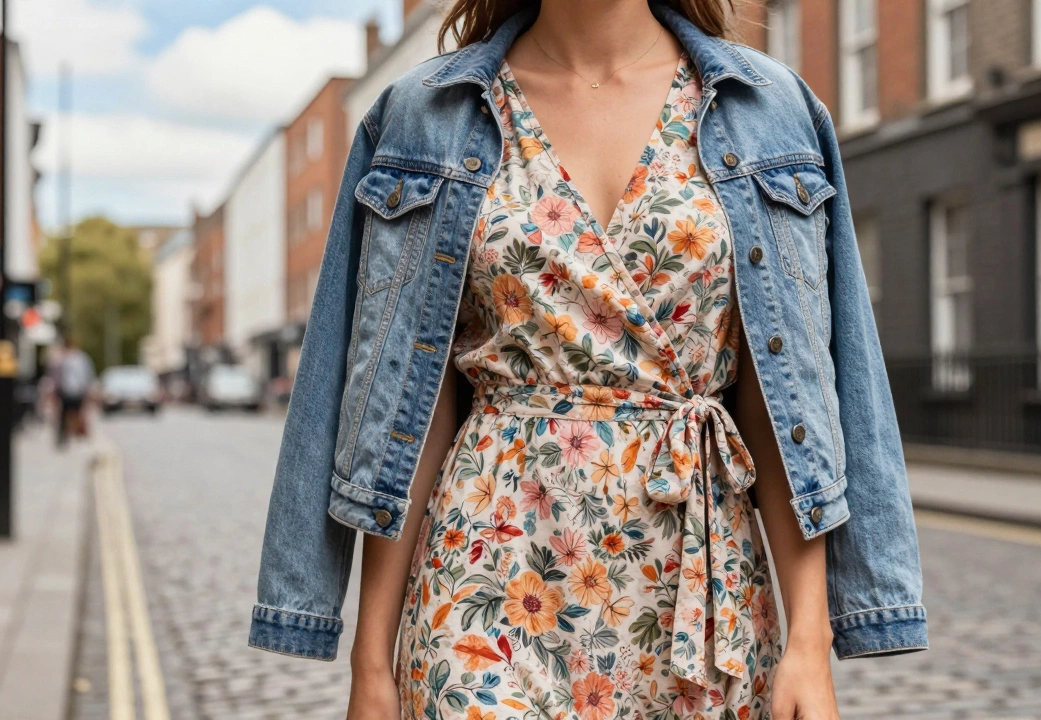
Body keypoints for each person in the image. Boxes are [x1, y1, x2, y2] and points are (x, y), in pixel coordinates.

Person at [249, 2, 927, 719]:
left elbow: (790, 393)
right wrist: (371, 663)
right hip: (482, 576)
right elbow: (408, 402)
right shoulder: (424, 115)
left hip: (700, 598)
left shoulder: (770, 109)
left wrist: (810, 643)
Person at [53, 336, 94, 448]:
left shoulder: (66, 358)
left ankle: (70, 434)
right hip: (73, 390)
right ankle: (72, 435)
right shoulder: (79, 358)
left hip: (70, 389)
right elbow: (87, 375)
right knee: (72, 413)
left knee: (68, 413)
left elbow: (56, 375)